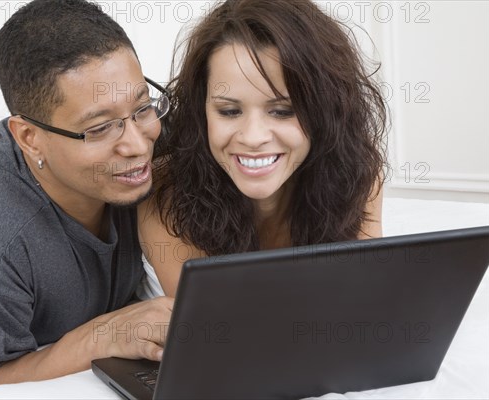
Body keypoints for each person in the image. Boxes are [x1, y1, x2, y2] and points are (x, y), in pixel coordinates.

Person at [0, 0, 173, 394]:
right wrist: (102, 335)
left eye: (142, 106)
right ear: (29, 138)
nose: (137, 145)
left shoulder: (150, 131)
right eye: (99, 129)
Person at [138, 0, 387, 298]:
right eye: (229, 112)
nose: (254, 137)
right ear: (201, 112)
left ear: (324, 112)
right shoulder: (164, 191)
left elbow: (363, 298)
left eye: (282, 111)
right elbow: (220, 325)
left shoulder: (357, 173)